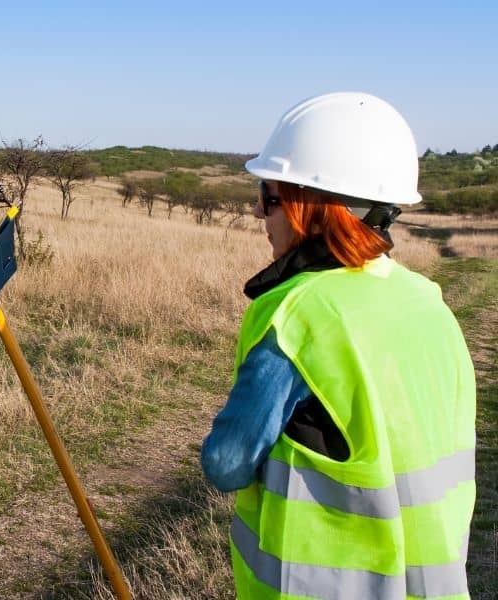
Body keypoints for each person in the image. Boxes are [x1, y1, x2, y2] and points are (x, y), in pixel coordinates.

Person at [201, 92, 476, 599]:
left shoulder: (296, 314)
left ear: (310, 207)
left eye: (270, 194)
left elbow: (228, 463)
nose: (259, 210)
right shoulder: (429, 302)